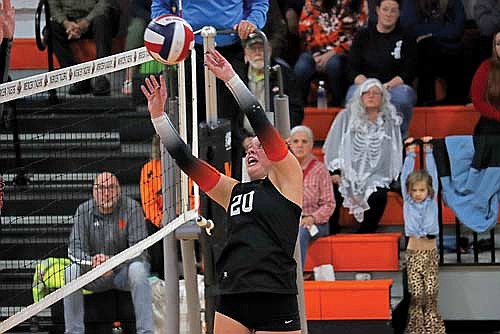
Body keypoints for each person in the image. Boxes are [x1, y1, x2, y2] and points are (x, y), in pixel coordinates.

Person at [141, 48, 303, 333]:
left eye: (259, 147)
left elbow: (263, 126)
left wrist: (231, 79)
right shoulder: (234, 191)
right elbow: (188, 162)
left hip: (274, 293)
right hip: (233, 294)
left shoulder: (289, 181)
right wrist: (158, 118)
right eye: (249, 148)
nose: (252, 150)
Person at [151, 0, 269, 181]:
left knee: (232, 131)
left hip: (230, 48)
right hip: (188, 52)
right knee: (191, 129)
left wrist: (252, 22)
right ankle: (193, 194)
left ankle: (233, 192)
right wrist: (168, 28)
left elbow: (259, 3)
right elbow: (159, 6)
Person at [64, 172, 153, 334]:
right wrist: (94, 263)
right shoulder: (83, 211)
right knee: (70, 272)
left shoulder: (132, 208)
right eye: (101, 188)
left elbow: (139, 249)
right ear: (93, 191)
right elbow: (74, 249)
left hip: (123, 272)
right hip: (93, 272)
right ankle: (73, 332)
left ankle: (146, 331)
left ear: (119, 190)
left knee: (139, 270)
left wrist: (112, 262)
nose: (106, 192)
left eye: (111, 187)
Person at [323, 78, 403, 234]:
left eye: (376, 93)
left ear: (382, 97)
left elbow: (395, 153)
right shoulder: (345, 116)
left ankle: (365, 234)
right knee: (332, 189)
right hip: (347, 173)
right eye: (367, 93)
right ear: (360, 95)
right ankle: (331, 233)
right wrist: (336, 172)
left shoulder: (390, 122)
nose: (371, 96)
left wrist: (389, 175)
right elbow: (333, 145)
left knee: (379, 195)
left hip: (376, 175)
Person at [347, 0, 417, 138]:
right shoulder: (363, 36)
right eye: (385, 9)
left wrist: (385, 87)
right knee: (351, 96)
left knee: (404, 97)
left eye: (393, 10)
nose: (388, 14)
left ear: (399, 13)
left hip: (394, 86)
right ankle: (358, 137)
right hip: (365, 85)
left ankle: (399, 138)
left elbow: (409, 72)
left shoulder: (407, 37)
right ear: (378, 10)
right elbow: (351, 68)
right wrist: (370, 86)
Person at [402, 137, 446, 334]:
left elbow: (434, 176)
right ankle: (416, 329)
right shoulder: (408, 203)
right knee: (417, 293)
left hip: (430, 254)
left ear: (428, 191)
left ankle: (433, 329)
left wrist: (428, 151)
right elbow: (405, 176)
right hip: (413, 253)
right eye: (414, 190)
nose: (418, 193)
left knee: (430, 292)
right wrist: (411, 153)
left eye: (422, 190)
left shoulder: (431, 202)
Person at [294, 0, 368, 106]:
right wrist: (316, 55)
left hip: (344, 52)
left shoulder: (358, 3)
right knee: (302, 67)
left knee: (334, 65)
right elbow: (304, 28)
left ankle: (338, 106)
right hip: (314, 52)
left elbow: (358, 34)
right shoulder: (313, 2)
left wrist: (333, 52)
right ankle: (299, 107)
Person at [46, 0, 120, 96]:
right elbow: (53, 7)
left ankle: (102, 76)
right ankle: (77, 77)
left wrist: (86, 22)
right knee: (51, 30)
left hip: (93, 17)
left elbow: (104, 3)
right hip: (68, 22)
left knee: (102, 22)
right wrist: (66, 23)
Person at [400, 0, 466, 105]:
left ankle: (457, 106)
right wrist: (443, 27)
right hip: (423, 50)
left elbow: (458, 28)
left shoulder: (453, 2)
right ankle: (426, 103)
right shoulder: (411, 2)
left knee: (465, 52)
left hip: (450, 48)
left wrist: (432, 34)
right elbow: (410, 28)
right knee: (427, 47)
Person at [289, 125, 335, 269]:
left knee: (301, 232)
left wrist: (312, 218)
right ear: (290, 145)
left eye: (304, 141)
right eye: (295, 142)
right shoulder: (283, 169)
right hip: (290, 220)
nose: (300, 145)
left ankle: (297, 278)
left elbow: (329, 203)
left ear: (311, 144)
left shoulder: (320, 170)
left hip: (316, 222)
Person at [241, 33, 304, 135]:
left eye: (261, 48)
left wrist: (279, 135)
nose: (258, 53)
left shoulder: (283, 75)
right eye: (253, 49)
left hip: (276, 139)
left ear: (269, 50)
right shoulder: (238, 75)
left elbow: (296, 110)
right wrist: (242, 139)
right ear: (246, 53)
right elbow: (230, 112)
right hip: (244, 142)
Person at [470, 30, 500, 135]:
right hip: (492, 124)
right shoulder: (486, 67)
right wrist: (497, 115)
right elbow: (477, 100)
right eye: (498, 44)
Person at [121, 0, 152, 95]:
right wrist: (152, 18)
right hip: (145, 18)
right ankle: (129, 80)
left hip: (168, 20)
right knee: (136, 28)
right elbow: (135, 7)